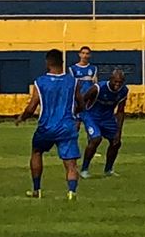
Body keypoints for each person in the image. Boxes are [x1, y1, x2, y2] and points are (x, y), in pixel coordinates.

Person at [17, 49, 82, 200]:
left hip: (46, 127)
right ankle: (72, 193)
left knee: (37, 152)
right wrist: (75, 116)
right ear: (62, 62)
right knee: (71, 163)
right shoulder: (73, 82)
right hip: (66, 127)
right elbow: (81, 103)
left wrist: (22, 117)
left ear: (47, 63)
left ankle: (36, 189)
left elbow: (32, 106)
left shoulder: (40, 82)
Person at [81, 68, 130, 179]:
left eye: (120, 82)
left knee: (116, 142)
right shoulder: (98, 88)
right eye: (115, 82)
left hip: (107, 118)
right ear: (110, 79)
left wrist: (119, 131)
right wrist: (78, 117)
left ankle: (108, 170)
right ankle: (84, 169)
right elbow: (82, 100)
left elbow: (120, 111)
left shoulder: (124, 91)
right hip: (91, 116)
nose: (117, 84)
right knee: (96, 139)